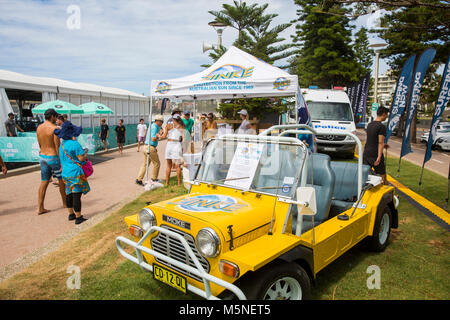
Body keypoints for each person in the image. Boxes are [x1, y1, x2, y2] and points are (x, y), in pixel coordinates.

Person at [54, 121, 89, 224]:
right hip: (75, 173)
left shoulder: (62, 145)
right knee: (76, 195)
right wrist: (85, 154)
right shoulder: (75, 144)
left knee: (68, 193)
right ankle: (78, 217)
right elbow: (81, 158)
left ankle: (71, 214)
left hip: (65, 173)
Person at [36, 109, 66, 215]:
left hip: (43, 156)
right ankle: (65, 203)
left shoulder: (39, 128)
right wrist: (61, 161)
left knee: (44, 182)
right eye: (56, 117)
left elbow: (40, 144)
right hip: (53, 157)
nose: (57, 119)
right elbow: (56, 146)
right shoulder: (55, 128)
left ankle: (40, 208)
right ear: (52, 116)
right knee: (61, 180)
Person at [363, 106, 390, 185]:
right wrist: (379, 157)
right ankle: (385, 193)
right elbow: (380, 142)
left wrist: (384, 145)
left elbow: (372, 139)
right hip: (375, 154)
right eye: (387, 114)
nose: (387, 116)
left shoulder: (370, 124)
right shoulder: (381, 126)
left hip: (366, 152)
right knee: (382, 175)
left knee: (365, 175)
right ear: (384, 114)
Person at [136, 115, 164, 185]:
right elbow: (153, 139)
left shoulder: (153, 126)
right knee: (157, 163)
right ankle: (154, 179)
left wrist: (159, 133)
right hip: (150, 147)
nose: (162, 123)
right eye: (161, 122)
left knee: (145, 164)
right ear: (157, 121)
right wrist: (159, 136)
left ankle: (139, 179)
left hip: (146, 146)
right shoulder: (154, 127)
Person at [161, 114, 184, 186]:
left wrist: (158, 136)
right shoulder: (181, 126)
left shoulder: (168, 126)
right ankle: (179, 183)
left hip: (169, 144)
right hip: (177, 144)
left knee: (168, 165)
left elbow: (164, 136)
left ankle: (167, 183)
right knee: (178, 166)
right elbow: (183, 138)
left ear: (173, 119)